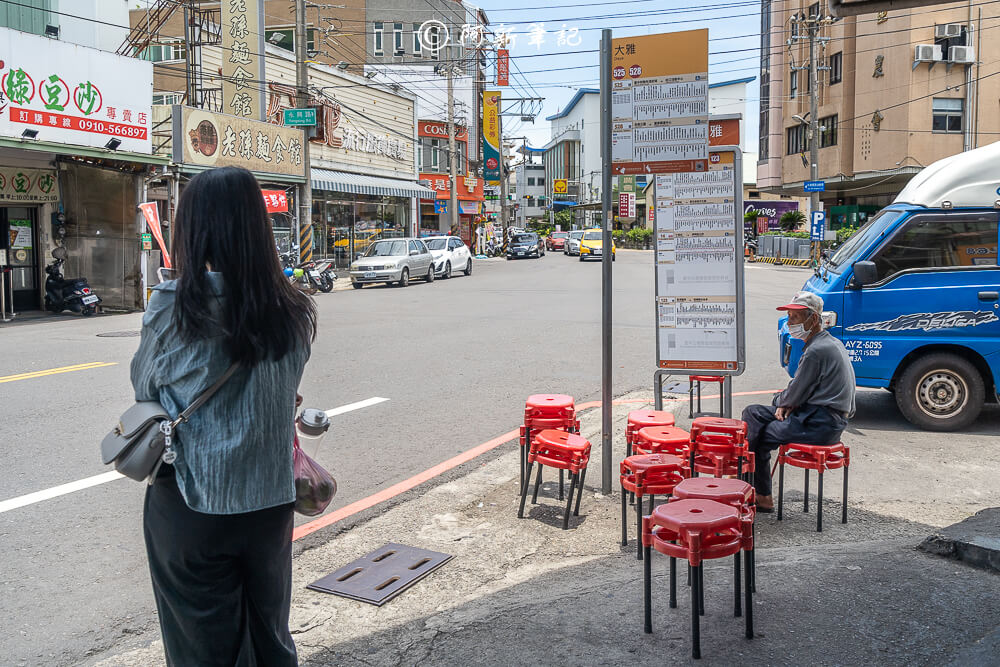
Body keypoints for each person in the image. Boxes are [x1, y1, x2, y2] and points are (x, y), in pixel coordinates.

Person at [131, 167, 316, 666]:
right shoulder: (294, 311)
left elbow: (145, 388)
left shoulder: (173, 307)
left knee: (200, 647)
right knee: (270, 637)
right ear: (258, 227)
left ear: (193, 230)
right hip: (269, 502)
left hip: (192, 503)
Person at [741, 291, 855, 512]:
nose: (790, 323)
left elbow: (794, 393)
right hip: (817, 416)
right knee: (753, 414)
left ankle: (751, 487)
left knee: (759, 432)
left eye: (794, 318)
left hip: (819, 424)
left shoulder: (817, 351)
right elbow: (798, 392)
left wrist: (783, 402)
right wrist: (787, 403)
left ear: (813, 319)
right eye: (790, 317)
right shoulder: (829, 343)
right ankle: (752, 485)